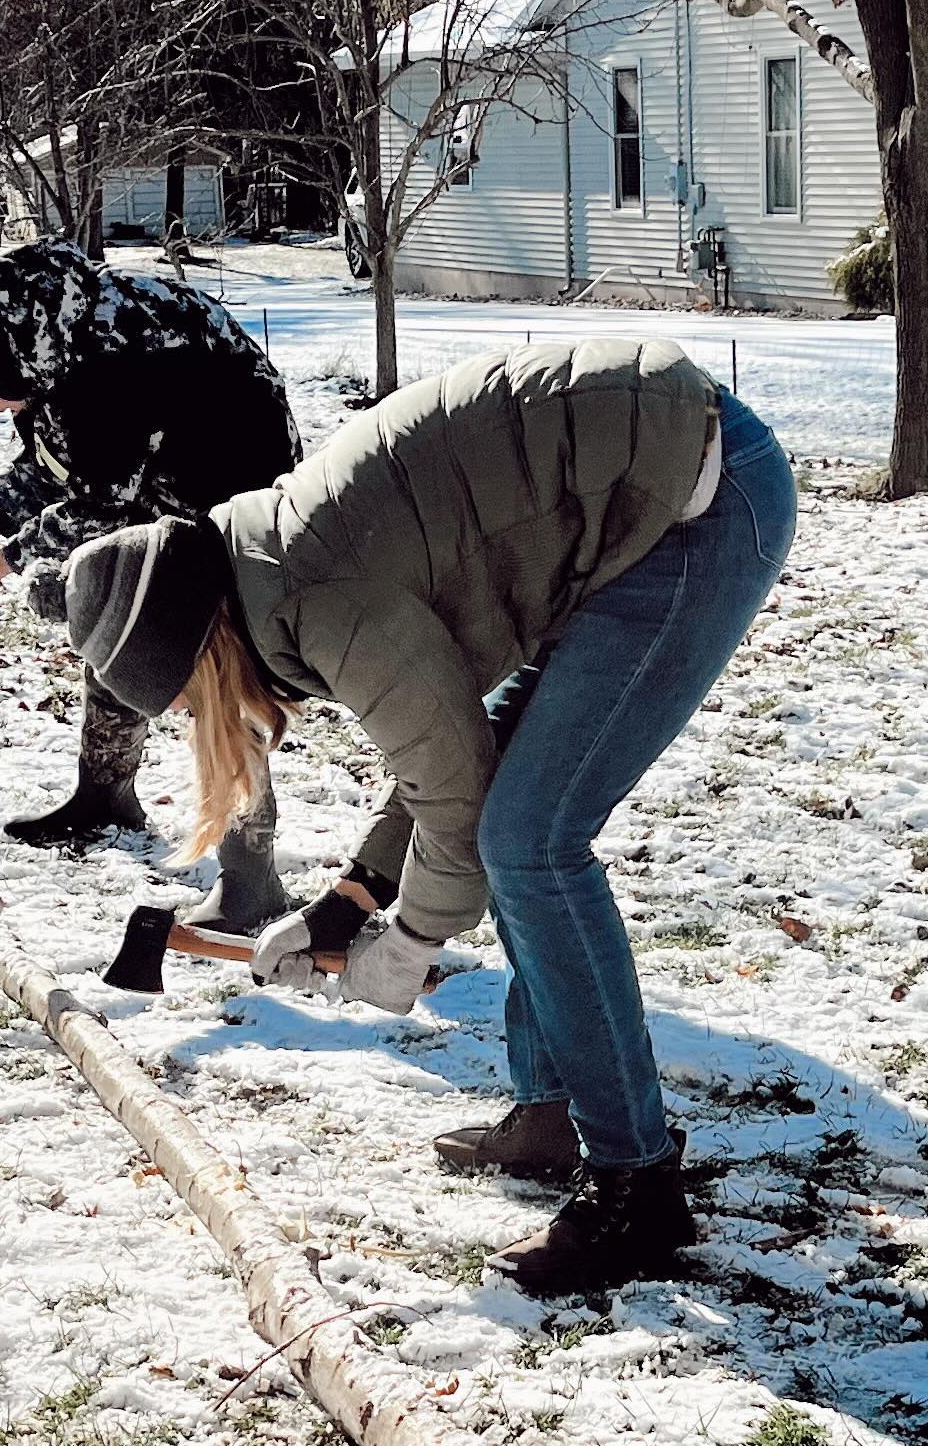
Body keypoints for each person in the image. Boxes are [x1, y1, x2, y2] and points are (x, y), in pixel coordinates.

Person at [60, 336, 797, 1293]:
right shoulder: (270, 569)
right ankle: (551, 1115)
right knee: (518, 821)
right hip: (617, 491)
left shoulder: (319, 591)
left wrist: (409, 939)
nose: (205, 719)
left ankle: (635, 1186)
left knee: (532, 841)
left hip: (690, 498)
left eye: (190, 700)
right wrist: (351, 899)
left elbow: (457, 798)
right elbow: (444, 744)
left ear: (201, 646)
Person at [0, 238, 300, 927]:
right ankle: (105, 796)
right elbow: (60, 463)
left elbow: (98, 499)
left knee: (221, 672)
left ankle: (250, 874)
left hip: (234, 490)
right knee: (116, 619)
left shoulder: (105, 354)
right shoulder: (42, 335)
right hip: (155, 484)